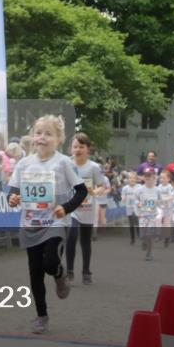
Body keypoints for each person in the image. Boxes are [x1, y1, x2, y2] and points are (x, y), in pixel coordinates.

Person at [7, 115, 87, 335]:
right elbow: (12, 192)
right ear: (33, 136)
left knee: (50, 262)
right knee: (35, 273)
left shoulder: (63, 163)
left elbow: (82, 191)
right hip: (30, 223)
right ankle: (41, 316)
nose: (42, 137)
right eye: (39, 132)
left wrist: (66, 208)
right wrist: (13, 199)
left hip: (55, 221)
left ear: (59, 139)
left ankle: (59, 274)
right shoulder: (24, 164)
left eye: (48, 133)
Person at [66, 133, 108, 285]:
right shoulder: (66, 164)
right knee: (71, 235)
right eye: (75, 146)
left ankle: (86, 271)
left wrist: (94, 192)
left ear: (88, 149)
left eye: (81, 147)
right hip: (71, 209)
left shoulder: (94, 167)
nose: (78, 150)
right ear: (71, 148)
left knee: (85, 241)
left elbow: (102, 187)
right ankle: (69, 271)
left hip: (87, 208)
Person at [137, 172, 160, 260]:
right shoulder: (139, 190)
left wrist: (158, 205)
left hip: (152, 215)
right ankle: (143, 241)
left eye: (150, 179)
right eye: (146, 179)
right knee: (143, 235)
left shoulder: (157, 190)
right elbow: (135, 200)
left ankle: (149, 254)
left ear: (153, 179)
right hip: (142, 215)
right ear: (144, 179)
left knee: (149, 235)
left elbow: (160, 201)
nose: (148, 181)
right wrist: (138, 204)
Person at [157, 170, 174, 247]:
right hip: (160, 207)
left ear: (168, 179)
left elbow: (172, 197)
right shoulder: (158, 187)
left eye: (164, 178)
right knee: (158, 218)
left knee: (166, 224)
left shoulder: (169, 187)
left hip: (168, 208)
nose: (162, 179)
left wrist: (164, 199)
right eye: (161, 178)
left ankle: (167, 238)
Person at [121, 173, 139, 245]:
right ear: (128, 179)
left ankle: (140, 235)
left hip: (137, 207)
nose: (132, 179)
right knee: (131, 223)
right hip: (129, 207)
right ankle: (132, 239)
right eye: (130, 178)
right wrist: (123, 198)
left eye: (134, 178)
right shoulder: (125, 188)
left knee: (138, 222)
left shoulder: (139, 187)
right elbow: (123, 196)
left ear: (136, 179)